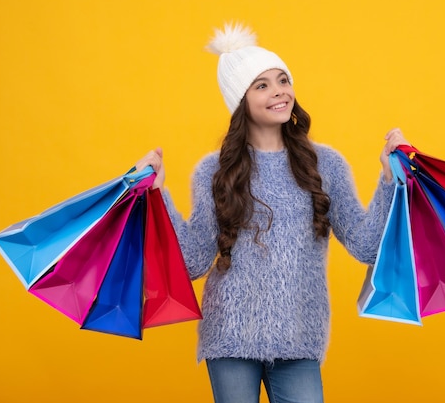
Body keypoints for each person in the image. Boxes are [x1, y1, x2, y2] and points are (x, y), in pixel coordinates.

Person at [136, 23, 410, 403]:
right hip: (230, 336)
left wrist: (387, 179)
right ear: (240, 101)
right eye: (262, 85)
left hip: (299, 337)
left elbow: (366, 246)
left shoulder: (324, 164)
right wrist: (158, 194)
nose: (279, 91)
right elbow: (194, 261)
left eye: (283, 80)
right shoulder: (213, 170)